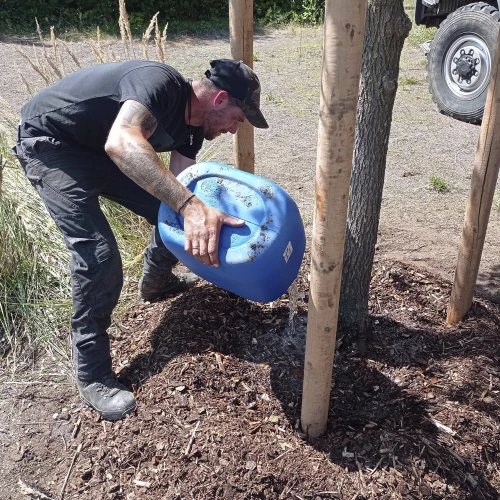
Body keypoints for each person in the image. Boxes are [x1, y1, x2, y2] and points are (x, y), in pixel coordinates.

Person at [11, 58, 269, 421]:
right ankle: (93, 375)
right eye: (237, 119)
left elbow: (180, 189)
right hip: (53, 145)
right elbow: (121, 141)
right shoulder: (159, 84)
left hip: (99, 148)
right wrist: (190, 207)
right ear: (220, 98)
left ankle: (156, 282)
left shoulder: (194, 129)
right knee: (98, 254)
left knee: (177, 212)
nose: (232, 130)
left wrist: (194, 212)